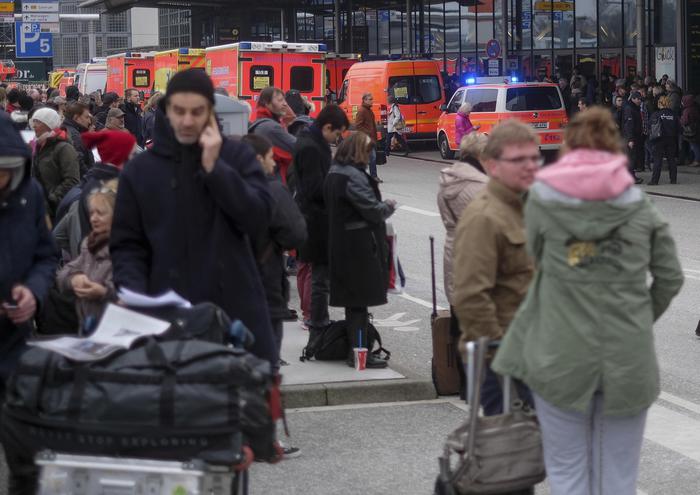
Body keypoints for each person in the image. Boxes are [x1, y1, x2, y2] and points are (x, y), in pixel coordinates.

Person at [492, 107, 684, 495]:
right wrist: (639, 316)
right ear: (615, 148)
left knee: (566, 473)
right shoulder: (639, 206)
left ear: (567, 146)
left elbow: (528, 266)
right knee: (618, 476)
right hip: (628, 357)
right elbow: (671, 277)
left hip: (560, 356)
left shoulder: (541, 201)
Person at [109, 69, 277, 365]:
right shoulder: (141, 169)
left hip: (235, 314)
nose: (187, 121)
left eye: (197, 112)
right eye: (179, 111)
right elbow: (127, 244)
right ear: (166, 110)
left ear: (210, 112)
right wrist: (133, 293)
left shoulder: (236, 156)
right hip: (164, 319)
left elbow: (259, 220)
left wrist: (216, 170)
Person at [452, 119, 540, 421]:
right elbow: (470, 296)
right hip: (504, 360)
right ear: (491, 164)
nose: (529, 166)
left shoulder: (526, 207)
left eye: (533, 157)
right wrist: (499, 353)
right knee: (512, 455)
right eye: (518, 159)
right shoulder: (485, 216)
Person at [0, 112, 58, 494]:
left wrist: (33, 292)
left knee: (25, 447)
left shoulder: (29, 194)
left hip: (13, 342)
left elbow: (46, 255)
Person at [324, 132, 395, 369]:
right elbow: (372, 210)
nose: (370, 155)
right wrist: (388, 206)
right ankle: (359, 353)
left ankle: (357, 351)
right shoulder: (352, 177)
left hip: (341, 244)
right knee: (359, 304)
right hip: (358, 247)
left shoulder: (334, 173)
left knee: (354, 303)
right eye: (368, 150)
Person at [242, 133, 307, 366]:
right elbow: (296, 234)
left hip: (228, 285)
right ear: (259, 159)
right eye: (270, 157)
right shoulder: (273, 191)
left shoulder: (222, 187)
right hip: (265, 281)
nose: (273, 163)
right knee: (264, 362)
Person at [437, 132, 488, 398]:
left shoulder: (448, 179)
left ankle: (466, 385)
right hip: (477, 253)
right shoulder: (479, 186)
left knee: (460, 319)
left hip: (453, 248)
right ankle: (479, 385)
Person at [292, 105, 349, 334]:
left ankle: (317, 319)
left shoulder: (311, 141)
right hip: (315, 218)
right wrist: (338, 187)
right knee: (319, 276)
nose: (337, 139)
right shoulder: (312, 148)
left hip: (313, 215)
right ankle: (317, 321)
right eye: (337, 133)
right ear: (327, 127)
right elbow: (314, 187)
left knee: (317, 274)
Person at [57, 179, 118, 328]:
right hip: (88, 323)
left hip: (114, 325)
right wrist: (74, 279)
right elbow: (64, 273)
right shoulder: (89, 244)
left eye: (100, 213)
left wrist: (104, 292)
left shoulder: (125, 248)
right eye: (91, 213)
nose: (93, 219)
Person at [30, 107, 80, 221]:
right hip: (40, 209)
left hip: (56, 212)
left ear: (49, 124)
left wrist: (51, 199)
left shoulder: (64, 148)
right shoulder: (39, 146)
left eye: (37, 122)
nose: (33, 126)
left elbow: (72, 180)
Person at [250, 86, 297, 185]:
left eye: (284, 100)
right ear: (267, 104)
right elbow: (298, 146)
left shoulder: (262, 123)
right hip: (276, 180)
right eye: (280, 100)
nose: (285, 103)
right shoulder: (271, 127)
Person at [648, 95, 679, 185]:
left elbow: (650, 126)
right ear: (669, 103)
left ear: (659, 104)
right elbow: (679, 128)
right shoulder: (674, 114)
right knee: (671, 160)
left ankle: (654, 181)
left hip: (659, 139)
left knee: (658, 160)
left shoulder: (656, 114)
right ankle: (673, 180)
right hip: (671, 139)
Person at [62, 101, 95, 178]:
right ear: (76, 118)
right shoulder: (74, 135)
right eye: (86, 117)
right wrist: (90, 179)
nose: (89, 121)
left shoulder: (68, 129)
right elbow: (79, 162)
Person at [354, 92, 380, 181]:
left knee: (369, 158)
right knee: (372, 157)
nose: (372, 101)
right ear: (364, 100)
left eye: (372, 99)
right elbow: (358, 126)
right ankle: (373, 176)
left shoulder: (369, 110)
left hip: (370, 138)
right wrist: (368, 133)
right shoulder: (362, 111)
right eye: (370, 99)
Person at [622, 91, 645, 184]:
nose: (639, 101)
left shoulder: (634, 108)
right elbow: (629, 124)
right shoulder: (630, 109)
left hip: (634, 136)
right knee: (631, 157)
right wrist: (630, 139)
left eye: (640, 99)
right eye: (638, 99)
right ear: (633, 99)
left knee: (632, 157)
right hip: (631, 137)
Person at [680, 94, 700, 167]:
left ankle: (697, 160)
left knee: (694, 145)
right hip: (696, 129)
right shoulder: (695, 107)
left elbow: (684, 121)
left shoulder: (687, 110)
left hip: (691, 131)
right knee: (695, 145)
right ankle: (694, 159)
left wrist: (680, 119)